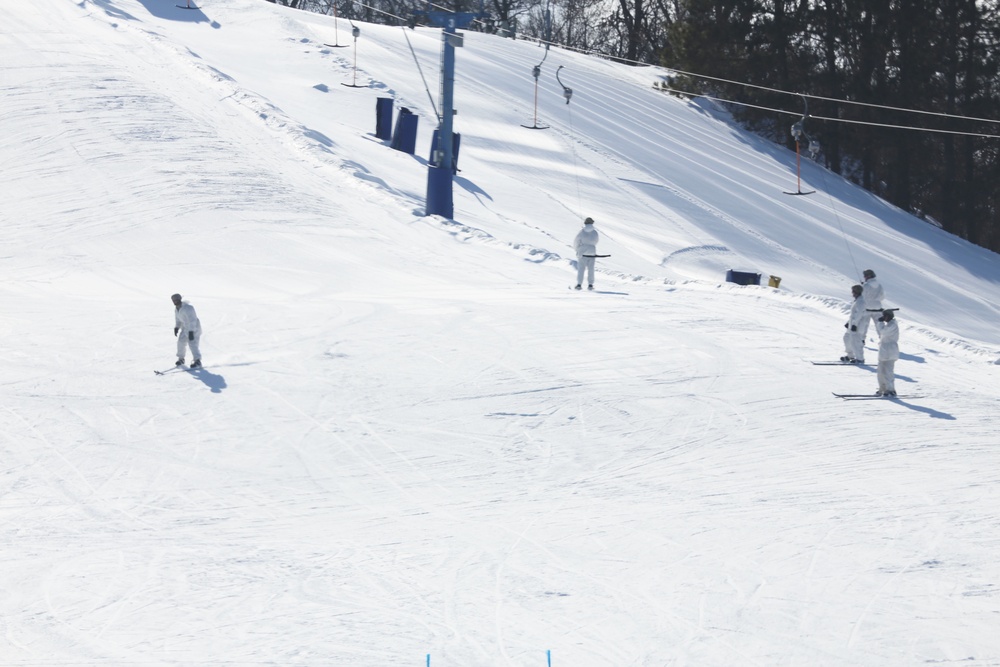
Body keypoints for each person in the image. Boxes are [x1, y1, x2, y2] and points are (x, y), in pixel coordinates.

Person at [171, 293, 202, 368]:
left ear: (179, 299)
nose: (174, 301)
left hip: (194, 328)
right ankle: (181, 359)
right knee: (180, 342)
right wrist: (177, 327)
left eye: (176, 300)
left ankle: (197, 361)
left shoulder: (188, 308)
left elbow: (193, 320)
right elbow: (178, 319)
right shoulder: (177, 309)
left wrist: (191, 331)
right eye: (173, 300)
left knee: (192, 344)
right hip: (185, 328)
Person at [875, 309, 899, 397]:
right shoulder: (889, 324)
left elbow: (883, 331)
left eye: (884, 316)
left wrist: (880, 323)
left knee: (888, 371)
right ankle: (883, 388)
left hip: (890, 351)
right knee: (880, 371)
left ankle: (891, 389)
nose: (883, 318)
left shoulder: (893, 325)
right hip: (884, 351)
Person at [841, 284, 866, 363]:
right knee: (846, 338)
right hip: (852, 325)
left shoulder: (861, 302)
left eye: (853, 291)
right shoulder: (857, 301)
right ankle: (850, 355)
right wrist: (849, 322)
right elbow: (853, 314)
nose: (852, 293)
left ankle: (860, 359)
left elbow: (859, 314)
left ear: (857, 292)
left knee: (856, 342)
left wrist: (854, 324)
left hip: (857, 326)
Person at [573, 217, 600, 290]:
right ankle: (590, 285)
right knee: (591, 269)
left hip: (582, 252)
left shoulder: (581, 232)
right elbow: (596, 241)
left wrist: (577, 250)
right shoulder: (595, 232)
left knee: (581, 269)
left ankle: (579, 285)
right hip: (592, 252)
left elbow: (576, 241)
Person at [861, 269, 885, 338]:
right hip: (877, 308)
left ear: (868, 276)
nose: (864, 277)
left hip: (867, 309)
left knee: (864, 326)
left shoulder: (866, 286)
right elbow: (882, 296)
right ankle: (883, 340)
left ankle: (861, 340)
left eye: (865, 276)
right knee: (880, 326)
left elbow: (862, 297)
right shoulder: (879, 285)